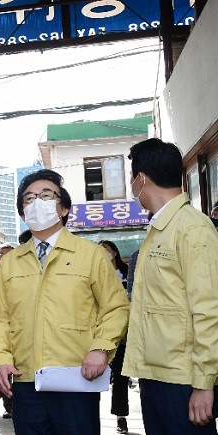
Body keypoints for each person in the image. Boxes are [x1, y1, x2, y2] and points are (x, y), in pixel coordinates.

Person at [0, 168, 129, 435]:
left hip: (76, 379)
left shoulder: (91, 255)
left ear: (63, 209)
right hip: (25, 382)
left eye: (46, 196)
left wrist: (101, 349)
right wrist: (0, 360)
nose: (36, 202)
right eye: (29, 199)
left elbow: (116, 308)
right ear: (22, 213)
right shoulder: (10, 263)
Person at [122, 138, 218, 434]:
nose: (132, 187)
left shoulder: (193, 228)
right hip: (156, 375)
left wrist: (204, 384)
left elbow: (210, 310)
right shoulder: (159, 228)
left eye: (131, 179)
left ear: (140, 180)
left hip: (183, 381)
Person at [99, 240, 130, 434]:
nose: (104, 253)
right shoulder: (95, 272)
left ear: (114, 252)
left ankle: (121, 416)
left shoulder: (126, 271)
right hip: (99, 334)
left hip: (123, 334)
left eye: (107, 250)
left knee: (120, 377)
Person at [0, 243, 15, 420]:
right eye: (2, 255)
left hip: (20, 338)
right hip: (3, 339)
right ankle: (9, 407)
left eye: (8, 254)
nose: (4, 258)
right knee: (5, 376)